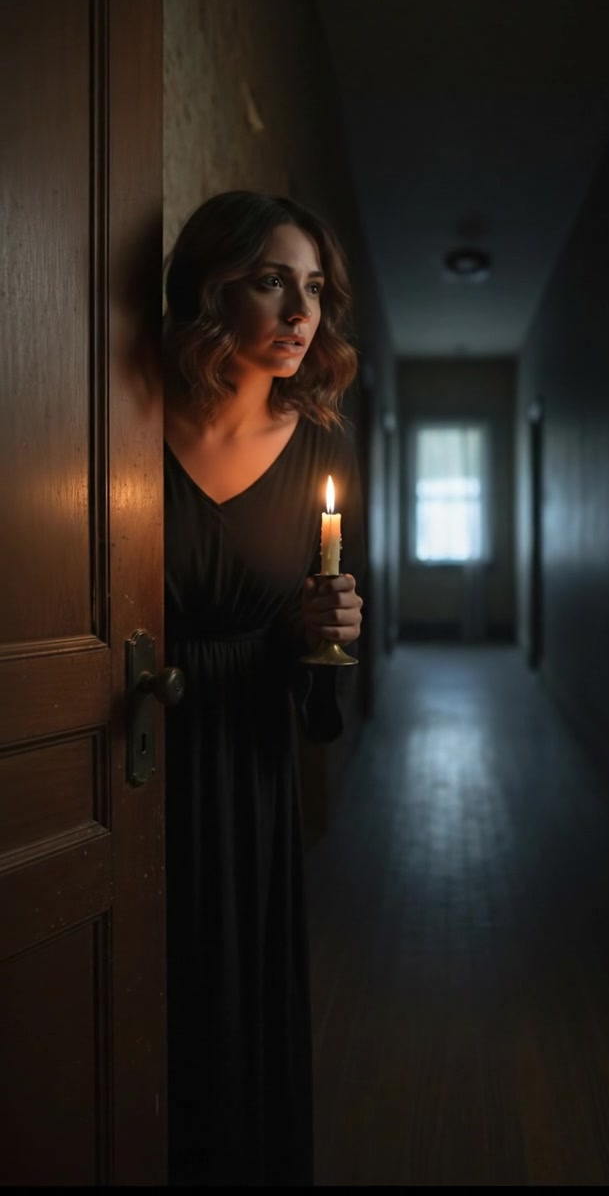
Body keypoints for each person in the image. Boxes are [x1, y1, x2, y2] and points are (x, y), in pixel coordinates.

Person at [161, 190, 365, 1187]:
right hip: (136, 754)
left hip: (246, 773)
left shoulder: (321, 446)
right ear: (210, 288)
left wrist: (320, 635)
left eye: (315, 288)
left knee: (239, 1010)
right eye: (272, 279)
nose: (300, 312)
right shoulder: (122, 421)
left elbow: (309, 667)